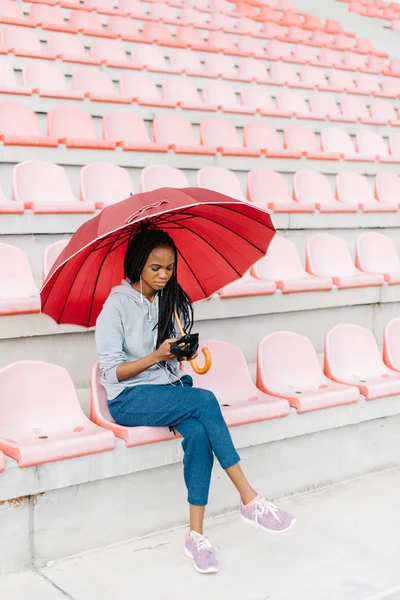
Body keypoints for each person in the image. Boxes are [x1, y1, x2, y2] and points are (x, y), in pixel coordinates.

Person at [95, 222, 296, 575]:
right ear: (138, 264)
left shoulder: (164, 302)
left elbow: (166, 358)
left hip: (166, 392)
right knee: (204, 400)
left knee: (200, 434)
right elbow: (111, 373)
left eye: (169, 268)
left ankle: (195, 536)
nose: (163, 275)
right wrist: (157, 356)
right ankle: (250, 499)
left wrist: (179, 352)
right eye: (155, 268)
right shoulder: (115, 307)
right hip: (128, 399)